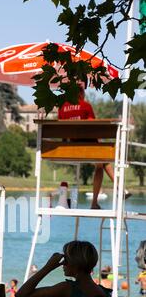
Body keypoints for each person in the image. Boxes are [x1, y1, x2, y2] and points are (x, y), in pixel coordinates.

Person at [58, 80, 131, 209]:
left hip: (67, 149)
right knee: (102, 163)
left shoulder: (62, 108)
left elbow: (62, 132)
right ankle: (98, 201)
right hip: (88, 148)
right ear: (80, 93)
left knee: (102, 161)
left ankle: (119, 189)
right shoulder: (85, 106)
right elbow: (94, 128)